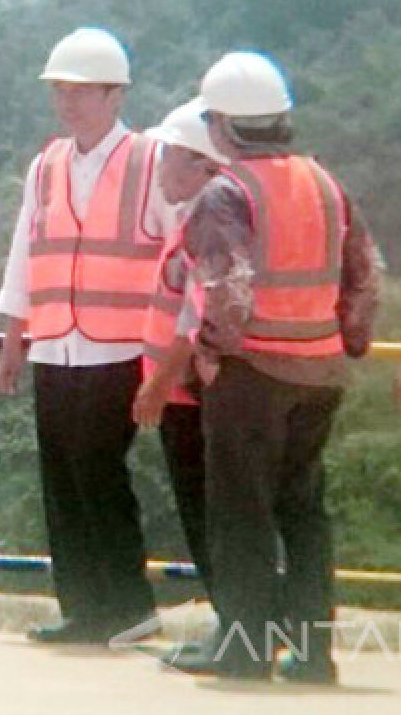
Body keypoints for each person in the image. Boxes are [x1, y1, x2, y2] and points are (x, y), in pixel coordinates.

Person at [166, 52, 381, 683]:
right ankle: (314, 654)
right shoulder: (324, 183)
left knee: (241, 514)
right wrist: (347, 345)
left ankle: (245, 647)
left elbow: (229, 293)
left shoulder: (226, 193)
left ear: (220, 125)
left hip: (253, 374)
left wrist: (206, 354)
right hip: (321, 373)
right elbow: (366, 280)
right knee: (303, 511)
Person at [0, 27, 178, 645]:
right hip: (55, 343)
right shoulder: (46, 165)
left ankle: (127, 606)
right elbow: (27, 249)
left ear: (114, 95)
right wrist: (14, 333)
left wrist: (174, 346)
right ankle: (84, 607)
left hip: (119, 345)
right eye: (60, 91)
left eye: (79, 92)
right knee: (63, 478)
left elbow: (178, 254)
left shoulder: (149, 161)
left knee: (100, 475)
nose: (66, 103)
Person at [131, 98, 232, 602]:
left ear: (202, 166)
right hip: (183, 395)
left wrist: (159, 381)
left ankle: (239, 625)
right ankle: (237, 623)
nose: (160, 165)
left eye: (170, 154)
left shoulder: (204, 225)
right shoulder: (191, 220)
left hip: (192, 397)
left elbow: (194, 318)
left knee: (209, 516)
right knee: (203, 516)